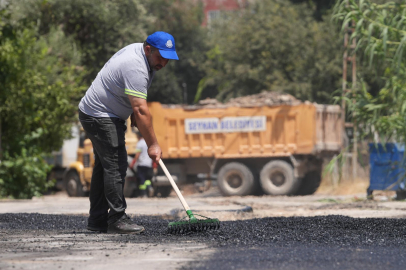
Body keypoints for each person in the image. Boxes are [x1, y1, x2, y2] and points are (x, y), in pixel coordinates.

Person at [78, 31, 179, 234]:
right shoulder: (136, 66)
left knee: (104, 168)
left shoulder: (144, 56)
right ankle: (117, 219)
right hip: (100, 114)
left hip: (101, 113)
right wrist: (153, 144)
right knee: (116, 163)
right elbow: (142, 110)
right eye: (161, 58)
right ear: (148, 50)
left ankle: (97, 221)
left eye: (168, 59)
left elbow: (134, 101)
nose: (163, 64)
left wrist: (133, 110)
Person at [129, 132, 153, 198]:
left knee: (141, 179)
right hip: (149, 164)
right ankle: (149, 187)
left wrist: (133, 163)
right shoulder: (147, 143)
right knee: (147, 179)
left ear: (138, 136)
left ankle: (143, 194)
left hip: (141, 164)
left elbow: (137, 154)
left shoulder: (140, 143)